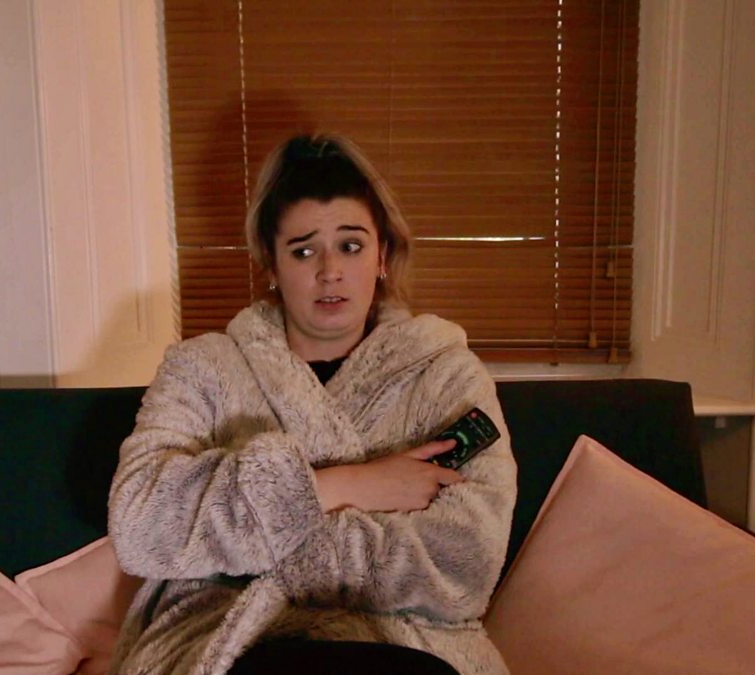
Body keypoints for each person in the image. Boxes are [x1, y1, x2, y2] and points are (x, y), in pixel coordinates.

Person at [107, 134, 518, 675]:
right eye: (303, 251)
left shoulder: (446, 375)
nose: (330, 271)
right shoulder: (202, 368)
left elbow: (465, 562)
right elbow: (140, 525)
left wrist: (247, 549)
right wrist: (343, 486)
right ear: (272, 266)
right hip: (236, 638)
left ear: (382, 255)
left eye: (351, 246)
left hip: (405, 643)